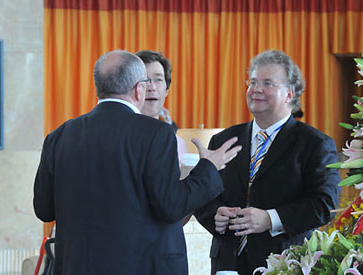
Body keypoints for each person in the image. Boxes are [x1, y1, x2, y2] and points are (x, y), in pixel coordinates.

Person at [33, 50, 242, 275]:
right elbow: (170, 207)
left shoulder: (59, 136)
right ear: (138, 88)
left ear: (98, 86)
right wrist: (208, 169)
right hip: (140, 266)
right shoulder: (155, 134)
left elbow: (44, 209)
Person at [195, 50, 341, 275]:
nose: (256, 90)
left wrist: (271, 219)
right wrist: (215, 214)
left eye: (268, 83)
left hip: (285, 262)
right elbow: (203, 196)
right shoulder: (223, 140)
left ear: (289, 94)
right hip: (227, 262)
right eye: (252, 82)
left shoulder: (315, 143)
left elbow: (325, 205)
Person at [135, 50, 188, 161]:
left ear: (166, 90)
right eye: (144, 80)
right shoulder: (119, 138)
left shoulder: (178, 144)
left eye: (158, 79)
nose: (151, 87)